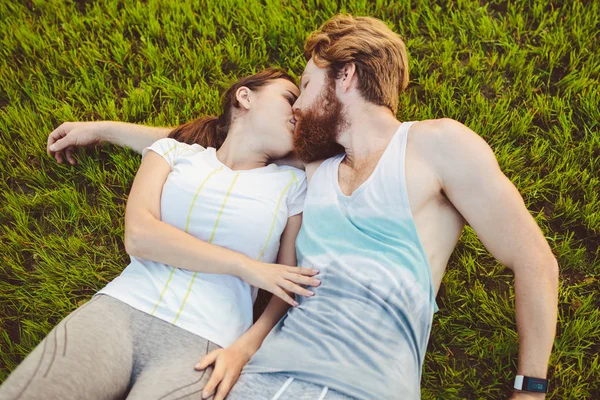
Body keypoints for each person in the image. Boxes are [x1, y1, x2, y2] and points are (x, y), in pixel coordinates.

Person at [43, 15, 559, 400]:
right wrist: (102, 131)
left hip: (365, 388)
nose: (297, 107)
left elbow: (534, 260)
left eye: (307, 87)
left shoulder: (437, 145)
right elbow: (209, 149)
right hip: (257, 380)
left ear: (347, 77)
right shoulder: (312, 168)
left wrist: (530, 388)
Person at [0, 68, 322, 400]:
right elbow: (140, 236)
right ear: (245, 97)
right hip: (119, 313)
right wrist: (247, 266)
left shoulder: (293, 185)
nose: (298, 111)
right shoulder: (173, 153)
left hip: (207, 345)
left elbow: (286, 284)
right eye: (289, 99)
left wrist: (244, 349)